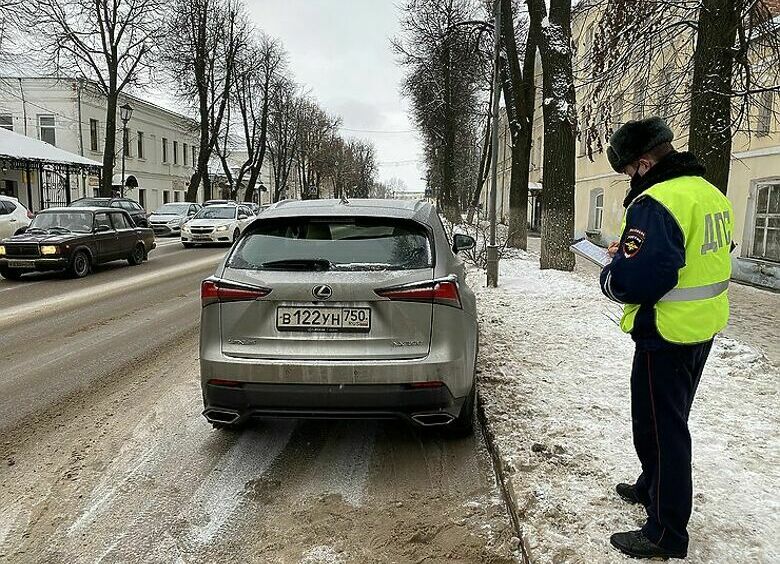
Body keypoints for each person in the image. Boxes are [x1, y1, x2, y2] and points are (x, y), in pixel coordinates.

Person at [599, 117, 734, 559]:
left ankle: (665, 532)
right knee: (667, 422)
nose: (628, 182)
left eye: (626, 173)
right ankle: (651, 486)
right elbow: (699, 254)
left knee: (661, 429)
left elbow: (640, 280)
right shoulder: (709, 193)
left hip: (666, 333)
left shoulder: (656, 201)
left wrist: (611, 274)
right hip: (700, 329)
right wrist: (636, 253)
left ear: (642, 163)